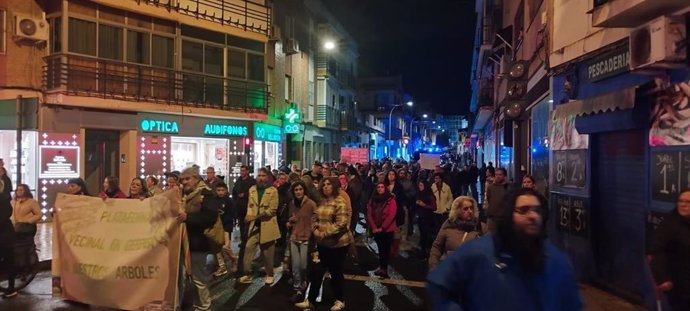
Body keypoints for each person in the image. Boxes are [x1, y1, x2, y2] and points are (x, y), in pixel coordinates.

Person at [427, 188, 583, 311]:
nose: (533, 216)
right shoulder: (479, 252)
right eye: (523, 210)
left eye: (537, 210)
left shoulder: (557, 261)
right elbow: (439, 284)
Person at [295, 177, 352, 311]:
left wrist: (323, 233)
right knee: (317, 272)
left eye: (329, 184)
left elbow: (341, 223)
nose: (326, 187)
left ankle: (339, 299)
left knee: (335, 272)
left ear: (334, 186)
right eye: (324, 184)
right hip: (323, 243)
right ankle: (310, 300)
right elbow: (314, 217)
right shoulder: (322, 202)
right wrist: (315, 229)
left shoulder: (340, 202)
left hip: (338, 244)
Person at [178, 167, 218, 311]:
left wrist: (188, 218)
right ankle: (193, 304)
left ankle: (204, 306)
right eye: (182, 179)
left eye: (187, 179)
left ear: (196, 178)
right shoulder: (181, 194)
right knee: (183, 278)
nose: (184, 182)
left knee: (198, 279)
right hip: (181, 242)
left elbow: (210, 217)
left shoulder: (206, 194)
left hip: (198, 243)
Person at [647, 189, 690, 311]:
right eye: (680, 201)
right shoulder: (670, 224)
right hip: (680, 285)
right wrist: (662, 278)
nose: (683, 204)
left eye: (688, 202)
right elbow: (654, 252)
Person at [239, 168, 281, 285]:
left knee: (268, 253)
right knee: (248, 248)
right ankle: (247, 273)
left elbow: (272, 210)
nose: (261, 178)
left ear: (267, 177)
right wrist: (248, 216)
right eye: (259, 175)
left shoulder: (273, 191)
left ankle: (270, 274)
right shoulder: (252, 189)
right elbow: (250, 206)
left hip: (267, 226)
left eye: (263, 176)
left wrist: (255, 217)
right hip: (254, 227)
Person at [429, 196, 484, 270]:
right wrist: (434, 268)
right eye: (465, 209)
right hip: (450, 269)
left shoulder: (480, 227)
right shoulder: (448, 225)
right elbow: (437, 247)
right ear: (457, 210)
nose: (470, 211)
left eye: (471, 208)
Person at [286, 181, 317, 303]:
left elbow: (316, 219)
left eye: (300, 189)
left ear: (304, 190)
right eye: (296, 190)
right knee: (295, 266)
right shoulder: (292, 204)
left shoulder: (311, 204)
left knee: (304, 265)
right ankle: (297, 288)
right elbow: (289, 220)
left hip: (306, 239)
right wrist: (289, 222)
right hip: (294, 238)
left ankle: (305, 281)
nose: (298, 192)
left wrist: (312, 232)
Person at [366, 182, 397, 279]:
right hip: (376, 229)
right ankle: (381, 267)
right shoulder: (373, 199)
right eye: (378, 187)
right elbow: (369, 213)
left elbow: (391, 215)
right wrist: (374, 227)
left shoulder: (390, 199)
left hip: (387, 230)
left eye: (382, 187)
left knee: (385, 249)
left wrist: (382, 227)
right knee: (380, 249)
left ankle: (384, 268)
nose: (380, 189)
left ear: (385, 188)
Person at [232, 165, 255, 275]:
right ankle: (243, 239)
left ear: (247, 171)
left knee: (247, 227)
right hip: (239, 209)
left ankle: (246, 240)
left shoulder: (251, 181)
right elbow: (234, 192)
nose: (242, 172)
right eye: (241, 170)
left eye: (244, 170)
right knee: (241, 226)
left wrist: (244, 195)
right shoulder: (238, 181)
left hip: (247, 208)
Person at [211, 182, 236, 277]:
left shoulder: (229, 201)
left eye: (222, 190)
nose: (220, 192)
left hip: (226, 226)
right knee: (217, 247)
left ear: (226, 190)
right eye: (218, 190)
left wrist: (224, 215)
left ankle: (234, 259)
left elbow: (233, 213)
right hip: (217, 227)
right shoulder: (214, 200)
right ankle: (222, 267)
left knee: (226, 247)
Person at [0, 179, 17, 299]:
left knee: (8, 260)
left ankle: (11, 288)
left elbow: (3, 217)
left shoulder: (4, 200)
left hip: (5, 236)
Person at [415, 180, 437, 260]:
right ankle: (423, 250)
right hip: (420, 217)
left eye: (421, 185)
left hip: (427, 217)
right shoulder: (419, 193)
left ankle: (425, 252)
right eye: (419, 185)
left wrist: (424, 205)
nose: (419, 187)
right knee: (422, 234)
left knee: (426, 234)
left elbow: (434, 207)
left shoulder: (429, 195)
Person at [486, 167, 510, 232]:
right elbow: (489, 199)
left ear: (504, 176)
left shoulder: (508, 187)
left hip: (504, 218)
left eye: (500, 175)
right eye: (496, 175)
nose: (498, 176)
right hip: (492, 218)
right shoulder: (490, 187)